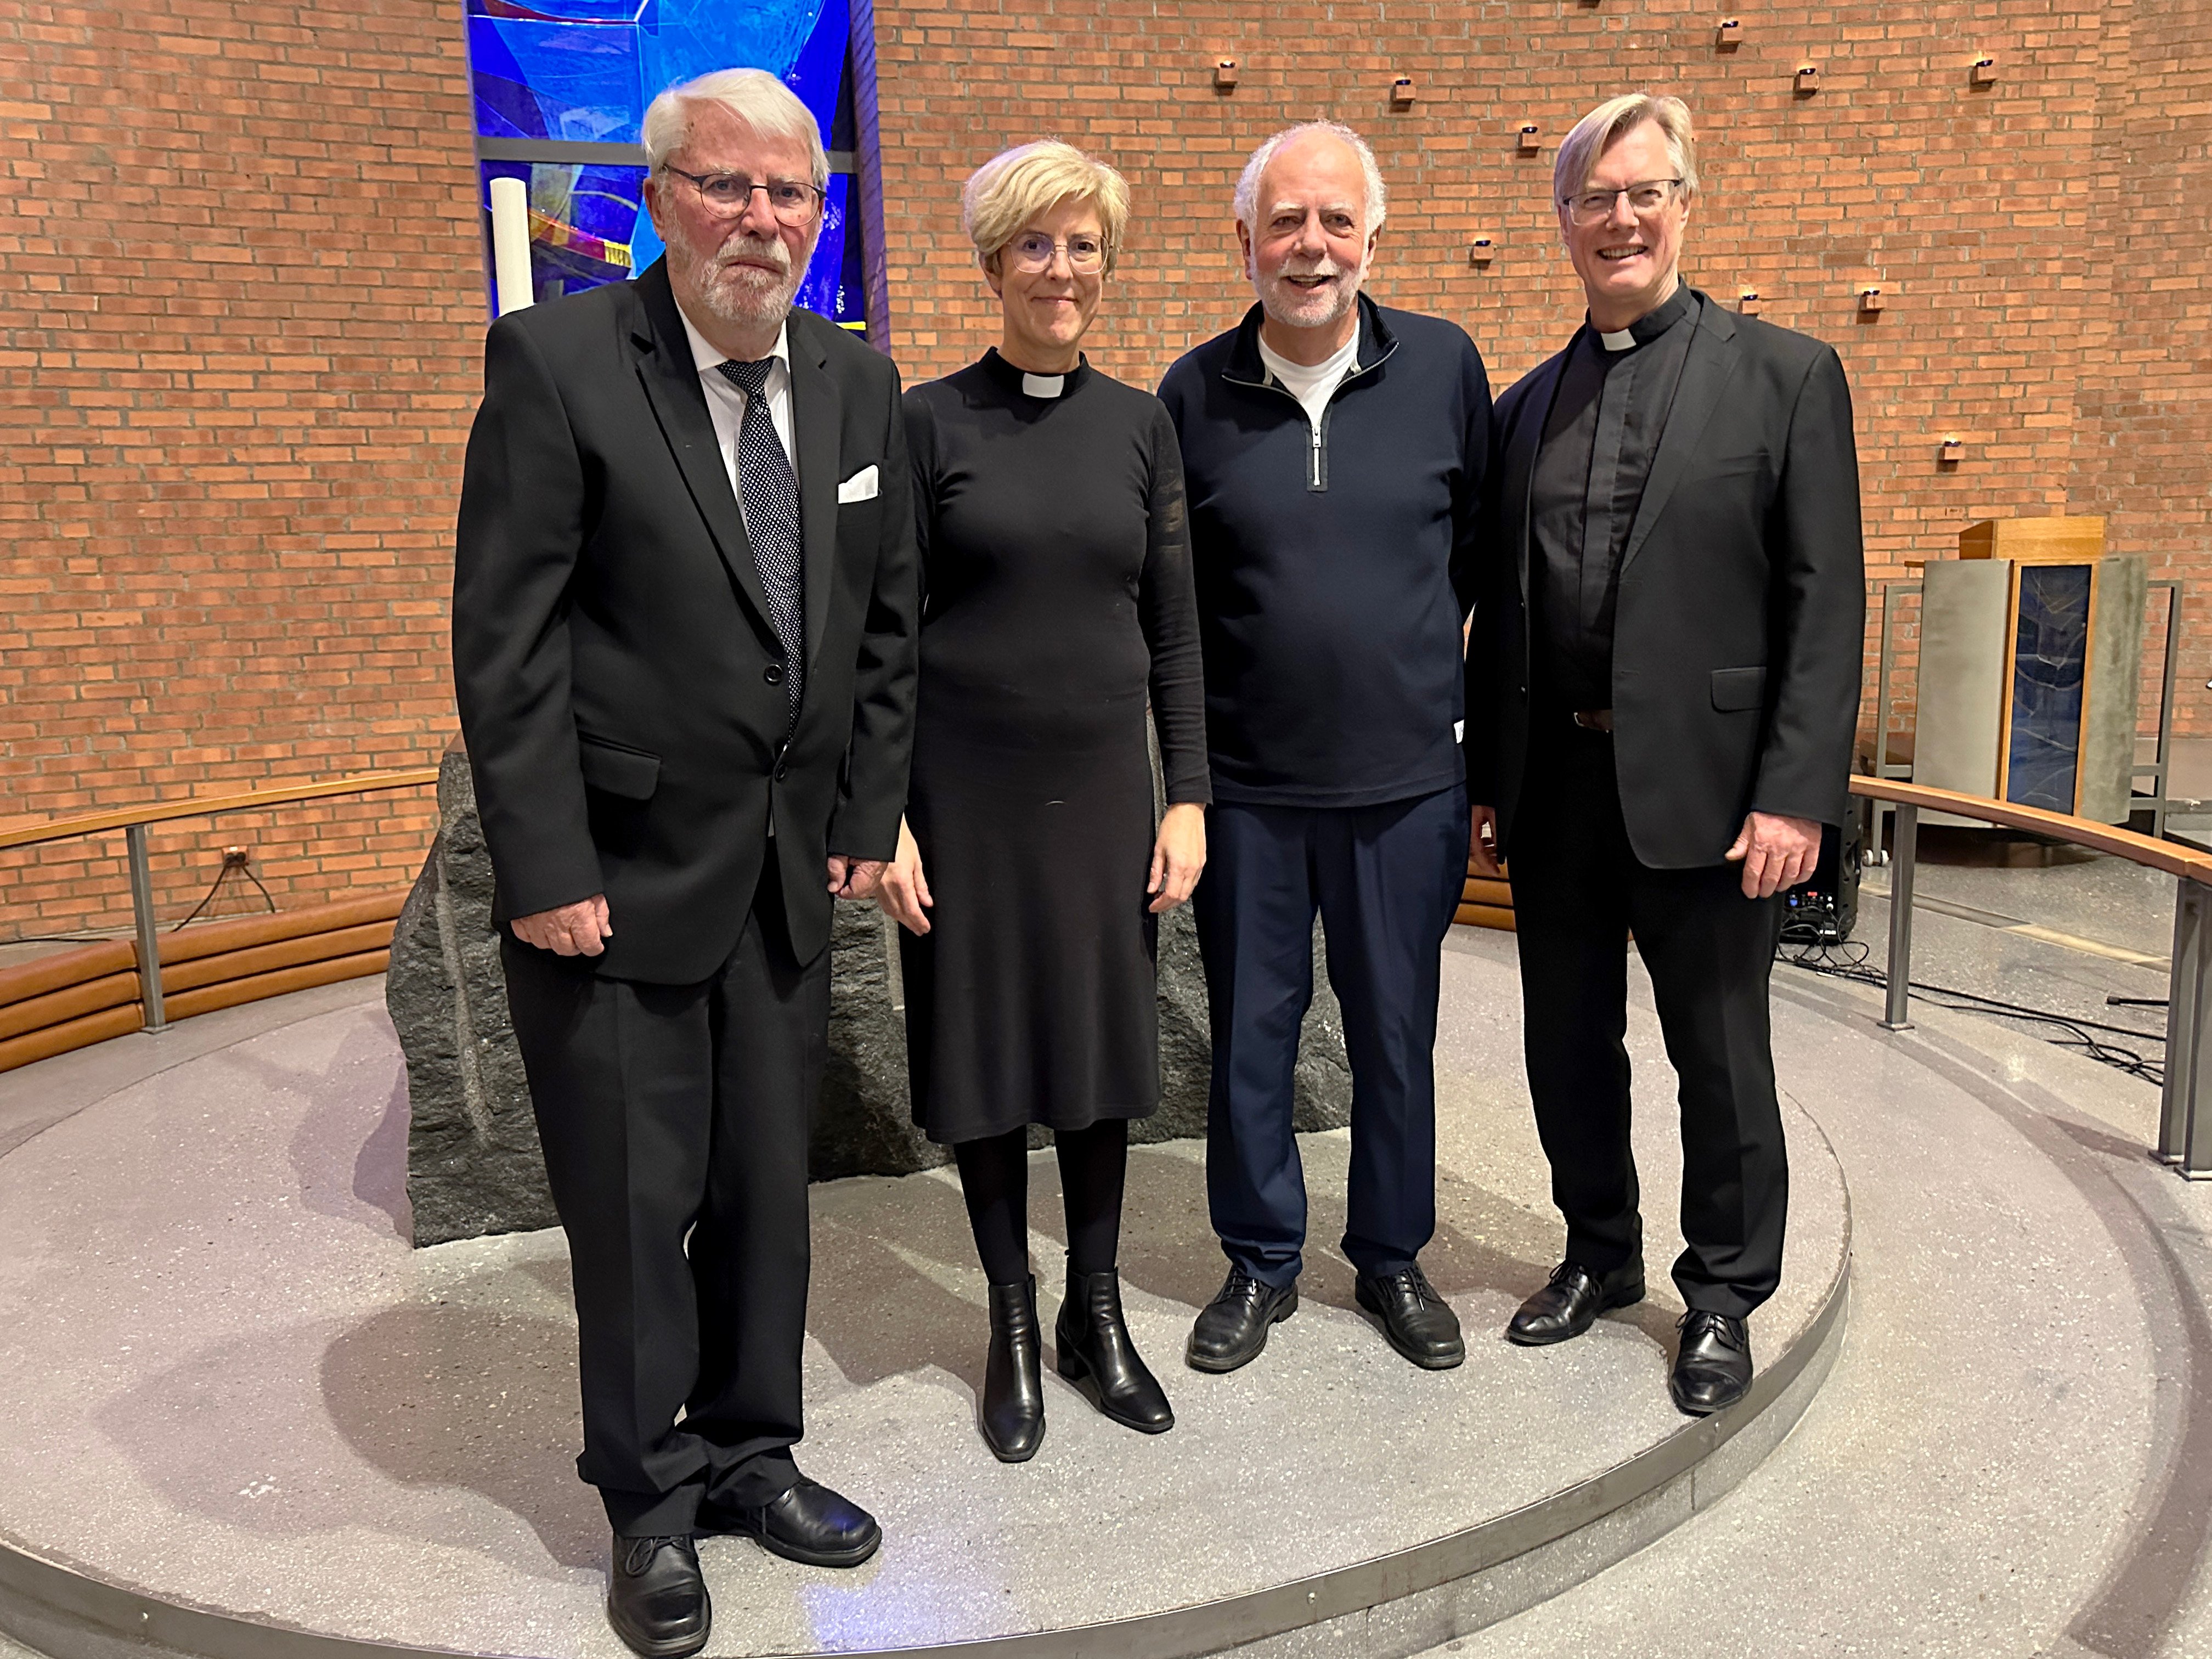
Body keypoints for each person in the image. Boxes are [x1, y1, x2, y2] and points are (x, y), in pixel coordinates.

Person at [451, 68, 917, 1658]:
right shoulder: (562, 364)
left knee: (763, 1198)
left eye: (791, 193)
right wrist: (542, 863)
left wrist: (866, 812)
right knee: (638, 1212)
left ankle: (753, 1452)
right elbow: (505, 647)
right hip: (619, 881)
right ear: (660, 200)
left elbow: (884, 629)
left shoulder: (859, 388)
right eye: (728, 187)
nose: (763, 220)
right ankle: (650, 1506)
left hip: (787, 877)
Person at [1464, 93, 1864, 1416]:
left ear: (1685, 206)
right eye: (1595, 197)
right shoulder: (1523, 409)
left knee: (1720, 1053)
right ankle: (1597, 1253)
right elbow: (1493, 614)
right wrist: (1484, 784)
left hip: (1714, 790)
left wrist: (1799, 793)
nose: (1621, 218)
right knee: (1567, 1044)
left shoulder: (1789, 376)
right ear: (1563, 222)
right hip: (1558, 789)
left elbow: (1825, 604)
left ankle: (1726, 1293)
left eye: (1646, 193)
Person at [881, 142, 1207, 1462]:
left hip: (1101, 802)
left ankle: (1096, 1313)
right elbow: (883, 638)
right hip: (963, 798)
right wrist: (881, 818)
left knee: (1093, 1063)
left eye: (1082, 245)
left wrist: (1187, 798)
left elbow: (1177, 634)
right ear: (992, 261)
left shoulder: (1142, 424)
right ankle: (1011, 1327)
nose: (1060, 270)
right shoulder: (926, 421)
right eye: (1035, 245)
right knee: (985, 1064)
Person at [1156, 122, 1491, 1375]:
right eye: (1286, 222)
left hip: (1407, 784)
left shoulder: (1444, 368)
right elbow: (1175, 609)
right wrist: (1186, 782)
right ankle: (1260, 1262)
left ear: (1371, 239)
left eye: (1336, 222)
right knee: (1253, 1029)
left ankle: (1395, 1257)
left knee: (1396, 1028)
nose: (1311, 248)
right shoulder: (1191, 395)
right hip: (1249, 789)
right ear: (1245, 240)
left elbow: (1472, 564)